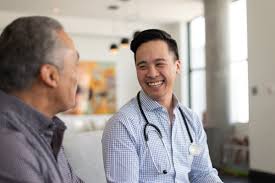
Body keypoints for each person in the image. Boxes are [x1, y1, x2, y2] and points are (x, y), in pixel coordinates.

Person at [102, 29, 223, 183]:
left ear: (177, 66)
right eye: (142, 66)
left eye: (159, 64)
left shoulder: (190, 119)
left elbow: (202, 174)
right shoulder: (122, 125)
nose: (152, 73)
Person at [0, 16, 84, 183]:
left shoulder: (47, 129)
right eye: (75, 65)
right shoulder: (9, 144)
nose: (77, 77)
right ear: (50, 75)